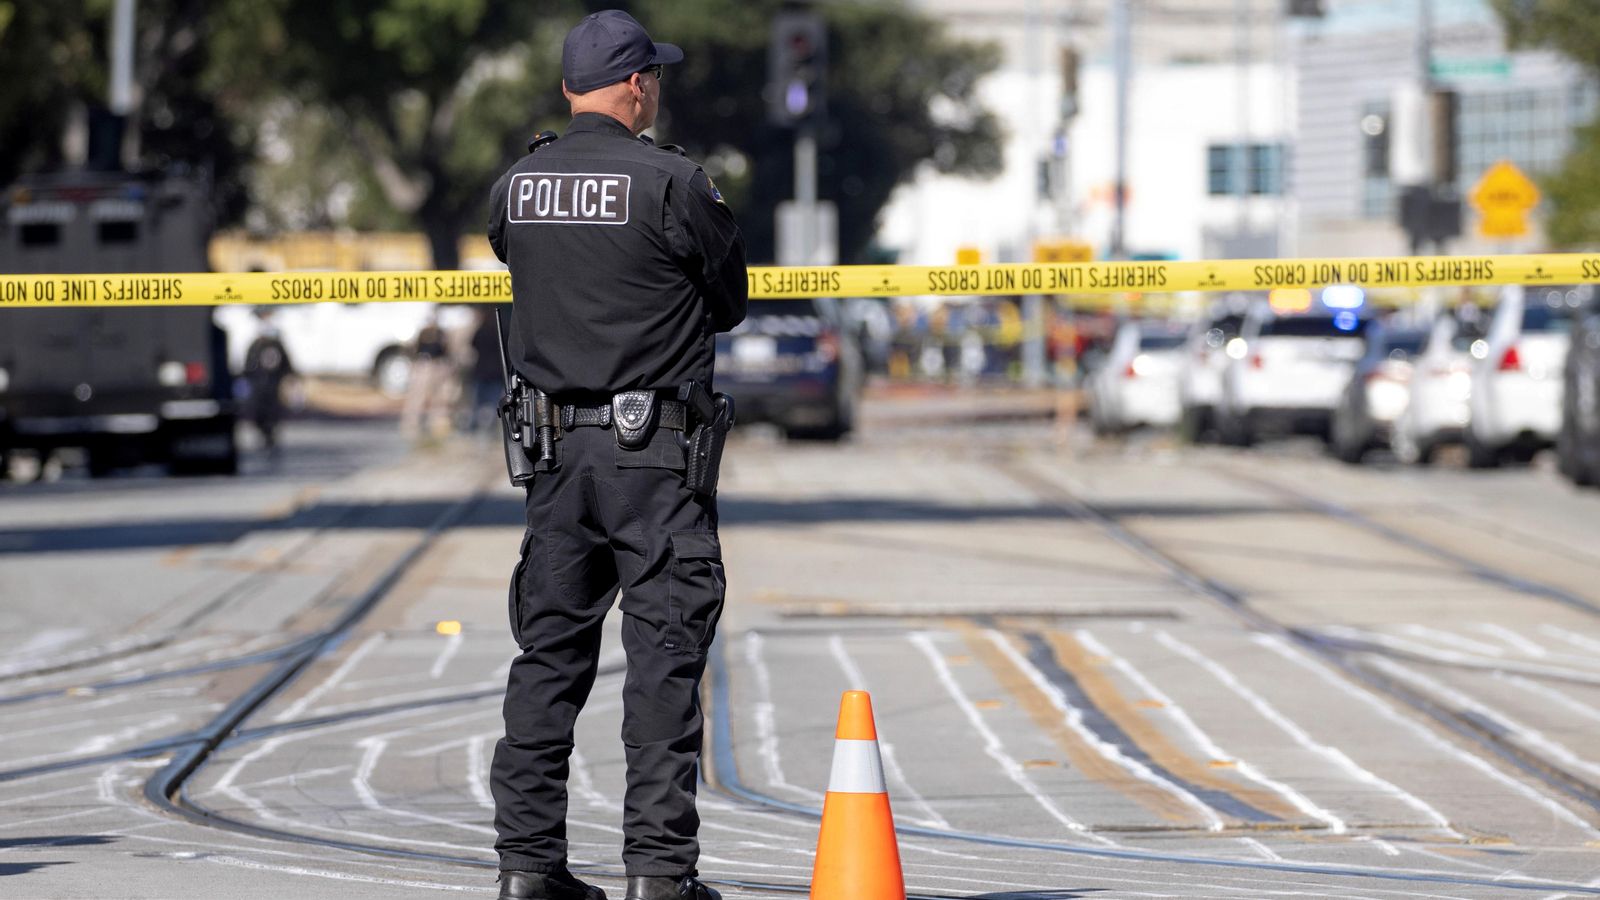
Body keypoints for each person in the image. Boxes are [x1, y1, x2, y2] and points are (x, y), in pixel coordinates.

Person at [485, 10, 747, 900]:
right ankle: (659, 877)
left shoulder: (516, 185)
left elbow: (515, 259)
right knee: (664, 666)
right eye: (655, 78)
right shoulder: (674, 185)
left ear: (569, 89)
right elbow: (731, 297)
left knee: (546, 663)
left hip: (555, 464)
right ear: (636, 84)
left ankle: (527, 870)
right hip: (655, 466)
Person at [242, 310, 294, 454]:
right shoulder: (255, 345)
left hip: (273, 386)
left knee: (273, 412)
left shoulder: (278, 345)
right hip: (258, 387)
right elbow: (248, 367)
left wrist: (290, 379)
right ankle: (263, 432)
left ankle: (270, 435)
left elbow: (286, 365)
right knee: (259, 412)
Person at [399, 308, 453, 440]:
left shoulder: (441, 333)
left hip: (438, 365)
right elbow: (415, 349)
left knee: (439, 398)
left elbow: (446, 349)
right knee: (417, 396)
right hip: (424, 364)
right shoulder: (423, 332)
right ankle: (412, 423)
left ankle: (438, 425)